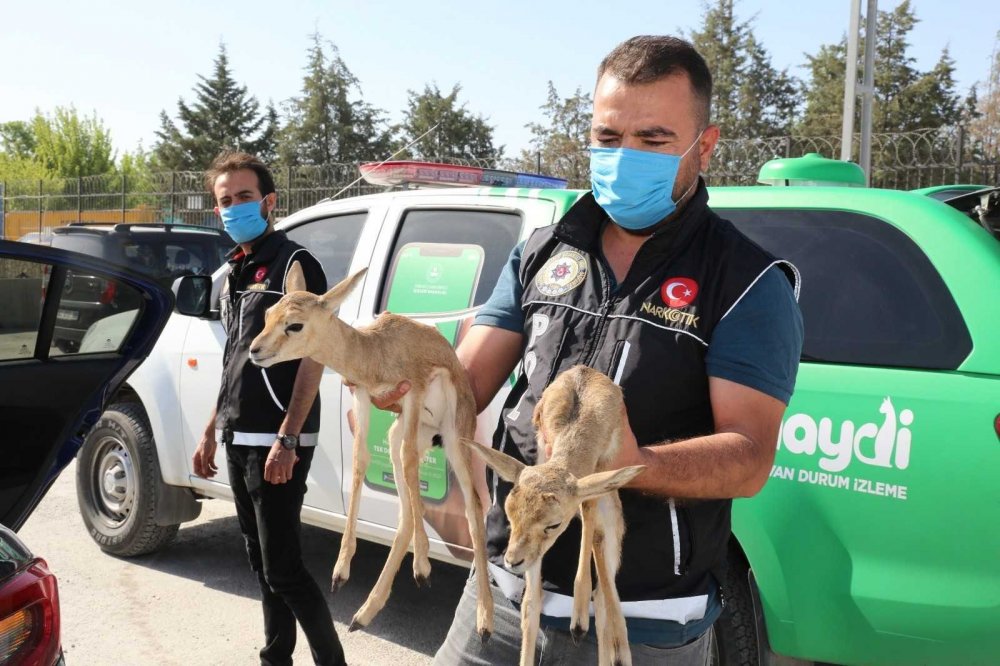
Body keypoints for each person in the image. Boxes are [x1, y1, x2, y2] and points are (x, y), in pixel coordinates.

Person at [385, 35, 802, 665]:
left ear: (704, 146)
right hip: (503, 595)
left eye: (653, 140)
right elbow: (466, 382)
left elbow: (748, 458)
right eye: (608, 138)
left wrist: (634, 463)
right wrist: (412, 388)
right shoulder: (543, 252)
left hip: (640, 625)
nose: (624, 157)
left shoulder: (746, 281)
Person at [191, 150, 346, 666]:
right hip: (238, 435)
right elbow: (234, 358)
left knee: (283, 569)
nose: (234, 207)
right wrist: (212, 429)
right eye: (225, 200)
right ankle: (275, 658)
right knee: (262, 565)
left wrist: (288, 436)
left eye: (245, 197)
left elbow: (314, 354)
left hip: (277, 440)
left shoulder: (295, 264)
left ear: (269, 201)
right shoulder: (236, 269)